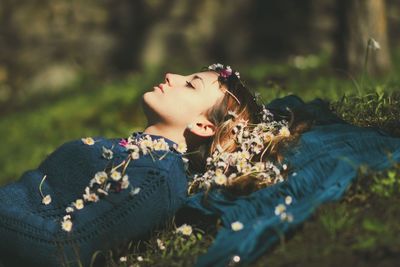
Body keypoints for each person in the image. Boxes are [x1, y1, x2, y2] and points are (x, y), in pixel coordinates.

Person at [1, 63, 294, 267]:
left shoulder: (157, 176)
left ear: (203, 125)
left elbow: (65, 250)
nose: (171, 75)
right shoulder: (132, 152)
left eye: (191, 85)